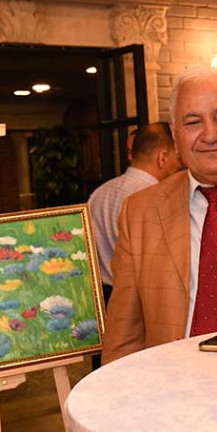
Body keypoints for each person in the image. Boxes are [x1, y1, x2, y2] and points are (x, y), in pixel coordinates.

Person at [102, 67, 217, 365]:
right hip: (172, 385)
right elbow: (123, 337)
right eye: (193, 122)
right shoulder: (140, 212)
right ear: (175, 134)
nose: (210, 135)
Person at [88, 122, 180, 368]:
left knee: (105, 369)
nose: (179, 165)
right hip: (138, 302)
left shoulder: (100, 192)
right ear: (163, 157)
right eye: (177, 157)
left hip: (102, 297)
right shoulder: (155, 199)